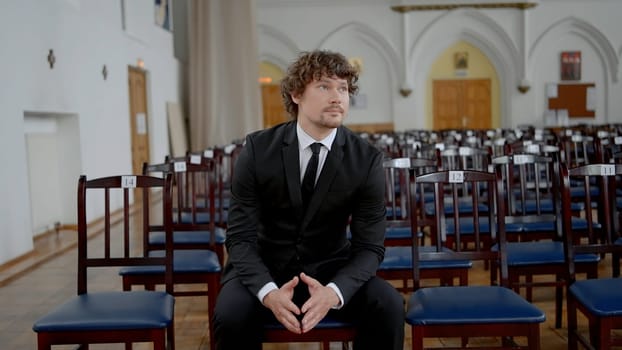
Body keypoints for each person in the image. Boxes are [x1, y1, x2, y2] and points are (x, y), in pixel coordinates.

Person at [212, 50, 405, 350]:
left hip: (331, 270)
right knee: (230, 315)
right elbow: (240, 238)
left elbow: (370, 246)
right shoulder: (257, 149)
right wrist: (268, 292)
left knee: (389, 304)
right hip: (266, 269)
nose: (337, 96)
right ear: (296, 94)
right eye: (324, 86)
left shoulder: (366, 159)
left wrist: (335, 291)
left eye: (343, 88)